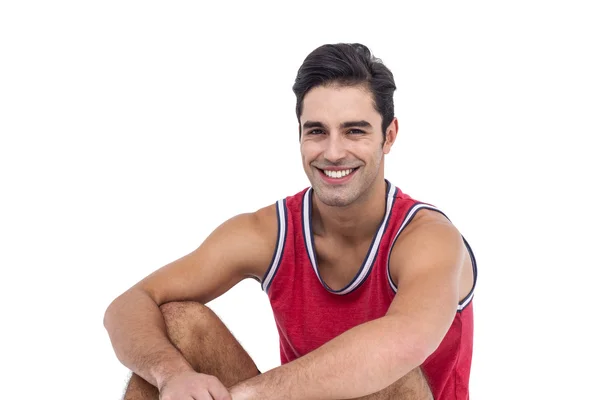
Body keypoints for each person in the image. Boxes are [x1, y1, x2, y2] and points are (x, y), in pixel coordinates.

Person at [104, 42, 477, 400]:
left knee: (395, 373)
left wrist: (240, 396)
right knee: (177, 322)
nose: (333, 152)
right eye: (317, 131)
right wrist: (172, 376)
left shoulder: (428, 238)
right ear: (299, 135)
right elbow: (129, 304)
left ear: (388, 136)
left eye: (355, 131)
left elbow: (403, 342)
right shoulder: (267, 232)